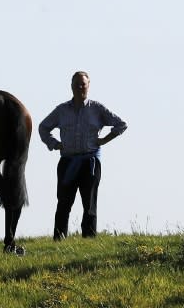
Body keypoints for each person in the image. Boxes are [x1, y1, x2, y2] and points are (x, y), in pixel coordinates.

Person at [39, 71, 128, 240]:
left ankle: (89, 240)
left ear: (88, 86)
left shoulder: (97, 109)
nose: (80, 87)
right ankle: (59, 240)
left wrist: (104, 140)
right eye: (76, 84)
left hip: (90, 161)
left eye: (83, 84)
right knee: (64, 203)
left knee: (89, 205)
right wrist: (55, 144)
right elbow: (43, 127)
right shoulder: (62, 110)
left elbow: (121, 124)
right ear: (71, 87)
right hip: (67, 162)